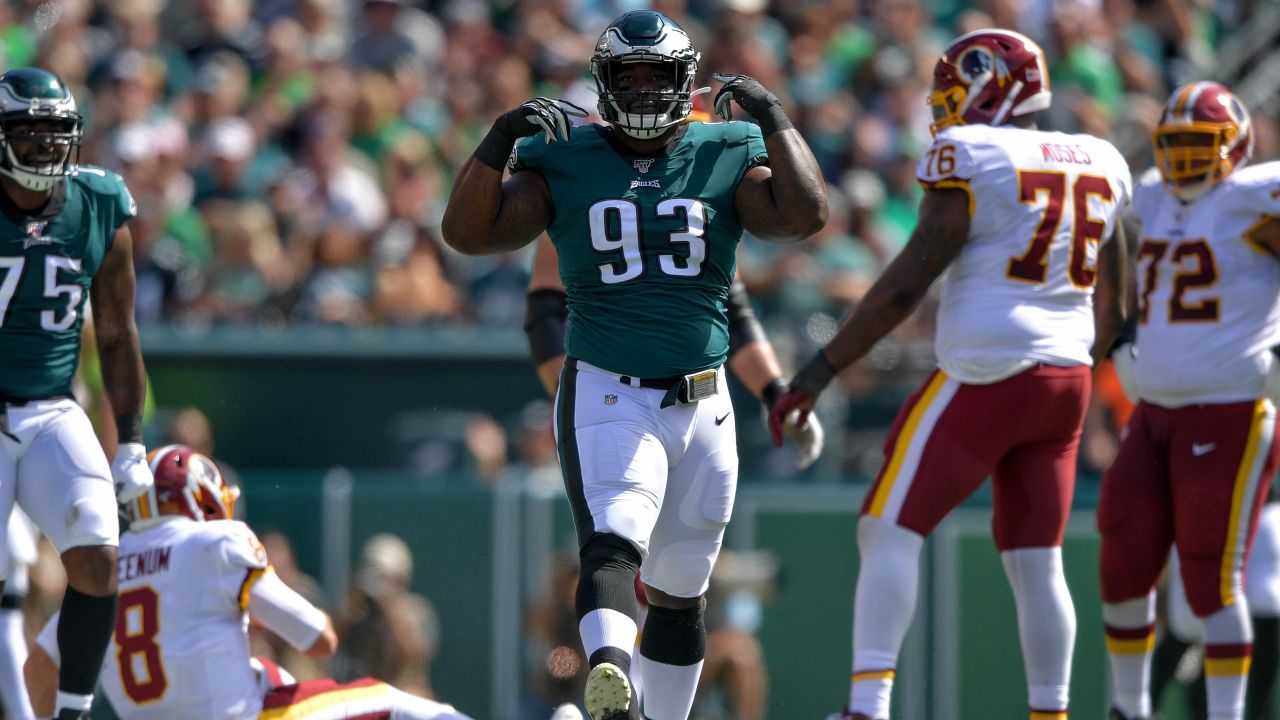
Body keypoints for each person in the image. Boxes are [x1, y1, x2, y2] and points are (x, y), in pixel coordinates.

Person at [442, 10, 828, 720]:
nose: (647, 91)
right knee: (613, 543)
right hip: (609, 388)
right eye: (632, 76)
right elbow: (468, 233)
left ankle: (650, 709)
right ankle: (610, 671)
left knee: (683, 587)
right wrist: (500, 138)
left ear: (687, 81)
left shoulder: (727, 147)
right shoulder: (568, 157)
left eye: (660, 76)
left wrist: (773, 115)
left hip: (705, 402)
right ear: (604, 82)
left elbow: (804, 215)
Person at [767, 29, 1133, 720]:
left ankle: (866, 708)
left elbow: (906, 284)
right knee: (1036, 559)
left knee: (886, 525)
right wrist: (1077, 350)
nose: (945, 104)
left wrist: (816, 371)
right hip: (1067, 377)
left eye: (956, 87)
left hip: (987, 369)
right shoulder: (1103, 157)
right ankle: (1050, 712)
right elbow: (1118, 299)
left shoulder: (972, 153)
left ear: (993, 82)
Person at [21, 445, 586, 720]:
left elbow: (39, 669)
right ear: (199, 496)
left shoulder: (106, 566)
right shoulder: (217, 543)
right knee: (399, 705)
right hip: (245, 716)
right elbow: (320, 638)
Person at [1096, 81, 1280, 720]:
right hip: (1155, 411)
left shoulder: (1255, 199)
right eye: (1173, 145)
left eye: (1198, 145)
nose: (1183, 159)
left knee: (1209, 578)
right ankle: (1129, 708)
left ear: (1235, 147)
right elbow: (1113, 243)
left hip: (1231, 408)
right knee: (1121, 558)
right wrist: (1122, 333)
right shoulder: (1150, 196)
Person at [0, 67, 155, 720]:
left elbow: (117, 334)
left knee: (98, 553)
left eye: (54, 135)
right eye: (30, 136)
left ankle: (72, 712)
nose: (45, 150)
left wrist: (133, 440)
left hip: (49, 408)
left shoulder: (96, 204)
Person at [523, 234, 824, 472]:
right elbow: (545, 313)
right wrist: (573, 395)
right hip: (611, 398)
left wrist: (776, 394)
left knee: (689, 543)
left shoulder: (705, 176)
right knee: (615, 534)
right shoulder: (580, 173)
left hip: (696, 404)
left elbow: (731, 315)